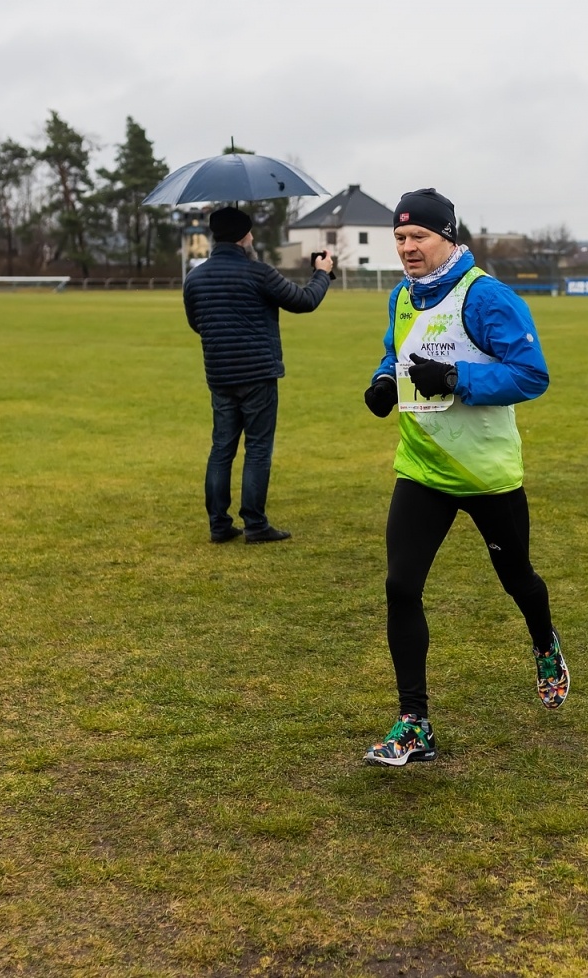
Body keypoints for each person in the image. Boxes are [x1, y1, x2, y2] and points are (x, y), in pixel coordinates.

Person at [358, 188, 562, 767]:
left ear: (448, 235)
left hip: (486, 473)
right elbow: (396, 354)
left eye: (418, 236)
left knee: (517, 577)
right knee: (401, 587)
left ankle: (545, 644)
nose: (407, 248)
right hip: (421, 469)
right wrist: (381, 382)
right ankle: (414, 723)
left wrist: (456, 380)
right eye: (399, 238)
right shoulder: (402, 296)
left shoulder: (486, 297)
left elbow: (531, 375)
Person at [182, 205, 334, 543]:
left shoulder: (194, 277)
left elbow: (197, 324)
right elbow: (305, 300)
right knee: (258, 448)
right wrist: (322, 272)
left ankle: (219, 525)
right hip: (258, 373)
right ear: (242, 237)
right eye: (250, 233)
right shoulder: (258, 273)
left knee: (221, 448)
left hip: (220, 374)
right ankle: (255, 523)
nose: (252, 239)